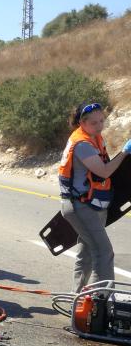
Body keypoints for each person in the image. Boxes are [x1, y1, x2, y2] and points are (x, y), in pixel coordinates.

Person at [58, 101, 131, 292]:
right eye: (94, 123)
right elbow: (104, 171)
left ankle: (78, 299)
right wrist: (124, 152)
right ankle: (101, 300)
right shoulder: (82, 144)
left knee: (88, 253)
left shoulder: (93, 138)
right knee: (103, 252)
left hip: (92, 204)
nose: (99, 126)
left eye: (101, 121)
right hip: (81, 206)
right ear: (82, 123)